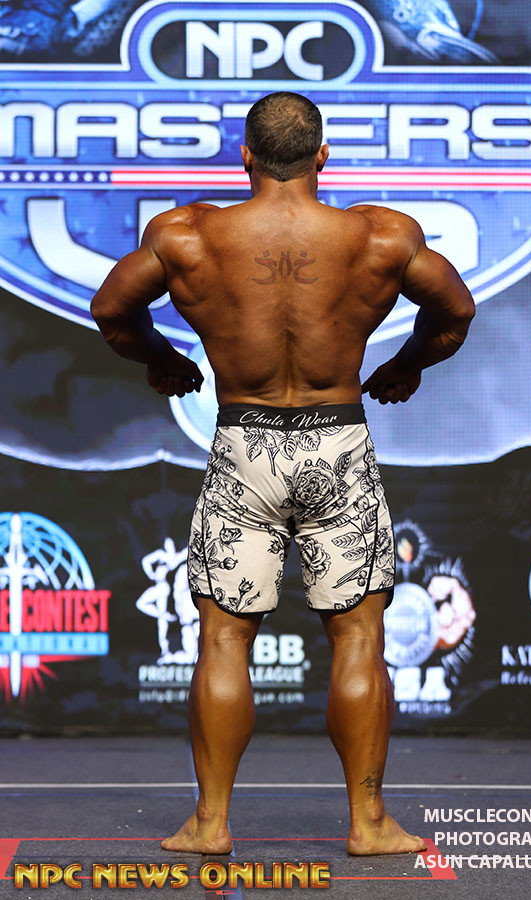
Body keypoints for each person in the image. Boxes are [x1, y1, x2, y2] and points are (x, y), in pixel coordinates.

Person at [91, 91, 475, 856]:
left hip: (245, 446)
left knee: (224, 639)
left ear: (246, 157)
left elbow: (111, 309)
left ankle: (209, 824)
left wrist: (162, 359)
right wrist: (405, 366)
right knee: (358, 638)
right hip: (338, 446)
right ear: (322, 156)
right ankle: (368, 823)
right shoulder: (381, 237)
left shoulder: (188, 235)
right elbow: (455, 312)